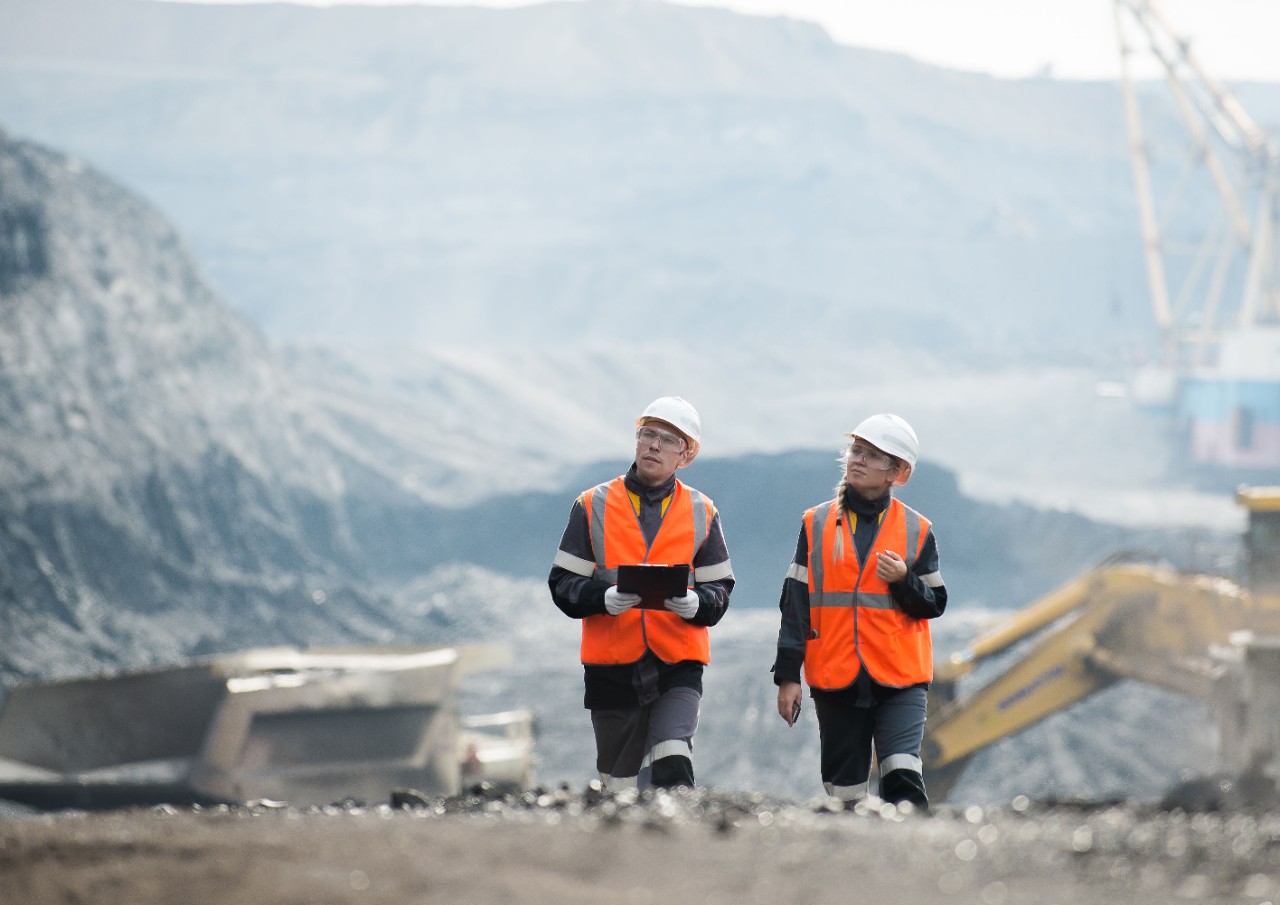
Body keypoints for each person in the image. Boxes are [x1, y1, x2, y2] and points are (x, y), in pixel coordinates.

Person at [549, 396, 734, 791]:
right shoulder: (591, 505)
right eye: (648, 434)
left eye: (668, 440)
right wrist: (601, 598)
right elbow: (562, 583)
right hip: (611, 668)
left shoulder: (703, 511)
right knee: (620, 787)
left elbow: (720, 588)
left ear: (685, 455)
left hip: (677, 664)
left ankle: (677, 831)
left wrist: (697, 604)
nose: (654, 445)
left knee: (672, 763)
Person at [772, 414, 946, 809]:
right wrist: (787, 675)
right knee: (845, 794)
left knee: (903, 776)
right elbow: (795, 605)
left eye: (872, 455)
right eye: (856, 450)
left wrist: (903, 580)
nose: (858, 460)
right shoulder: (815, 524)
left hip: (900, 677)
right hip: (836, 677)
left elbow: (934, 602)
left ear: (896, 473)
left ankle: (911, 847)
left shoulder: (917, 529)